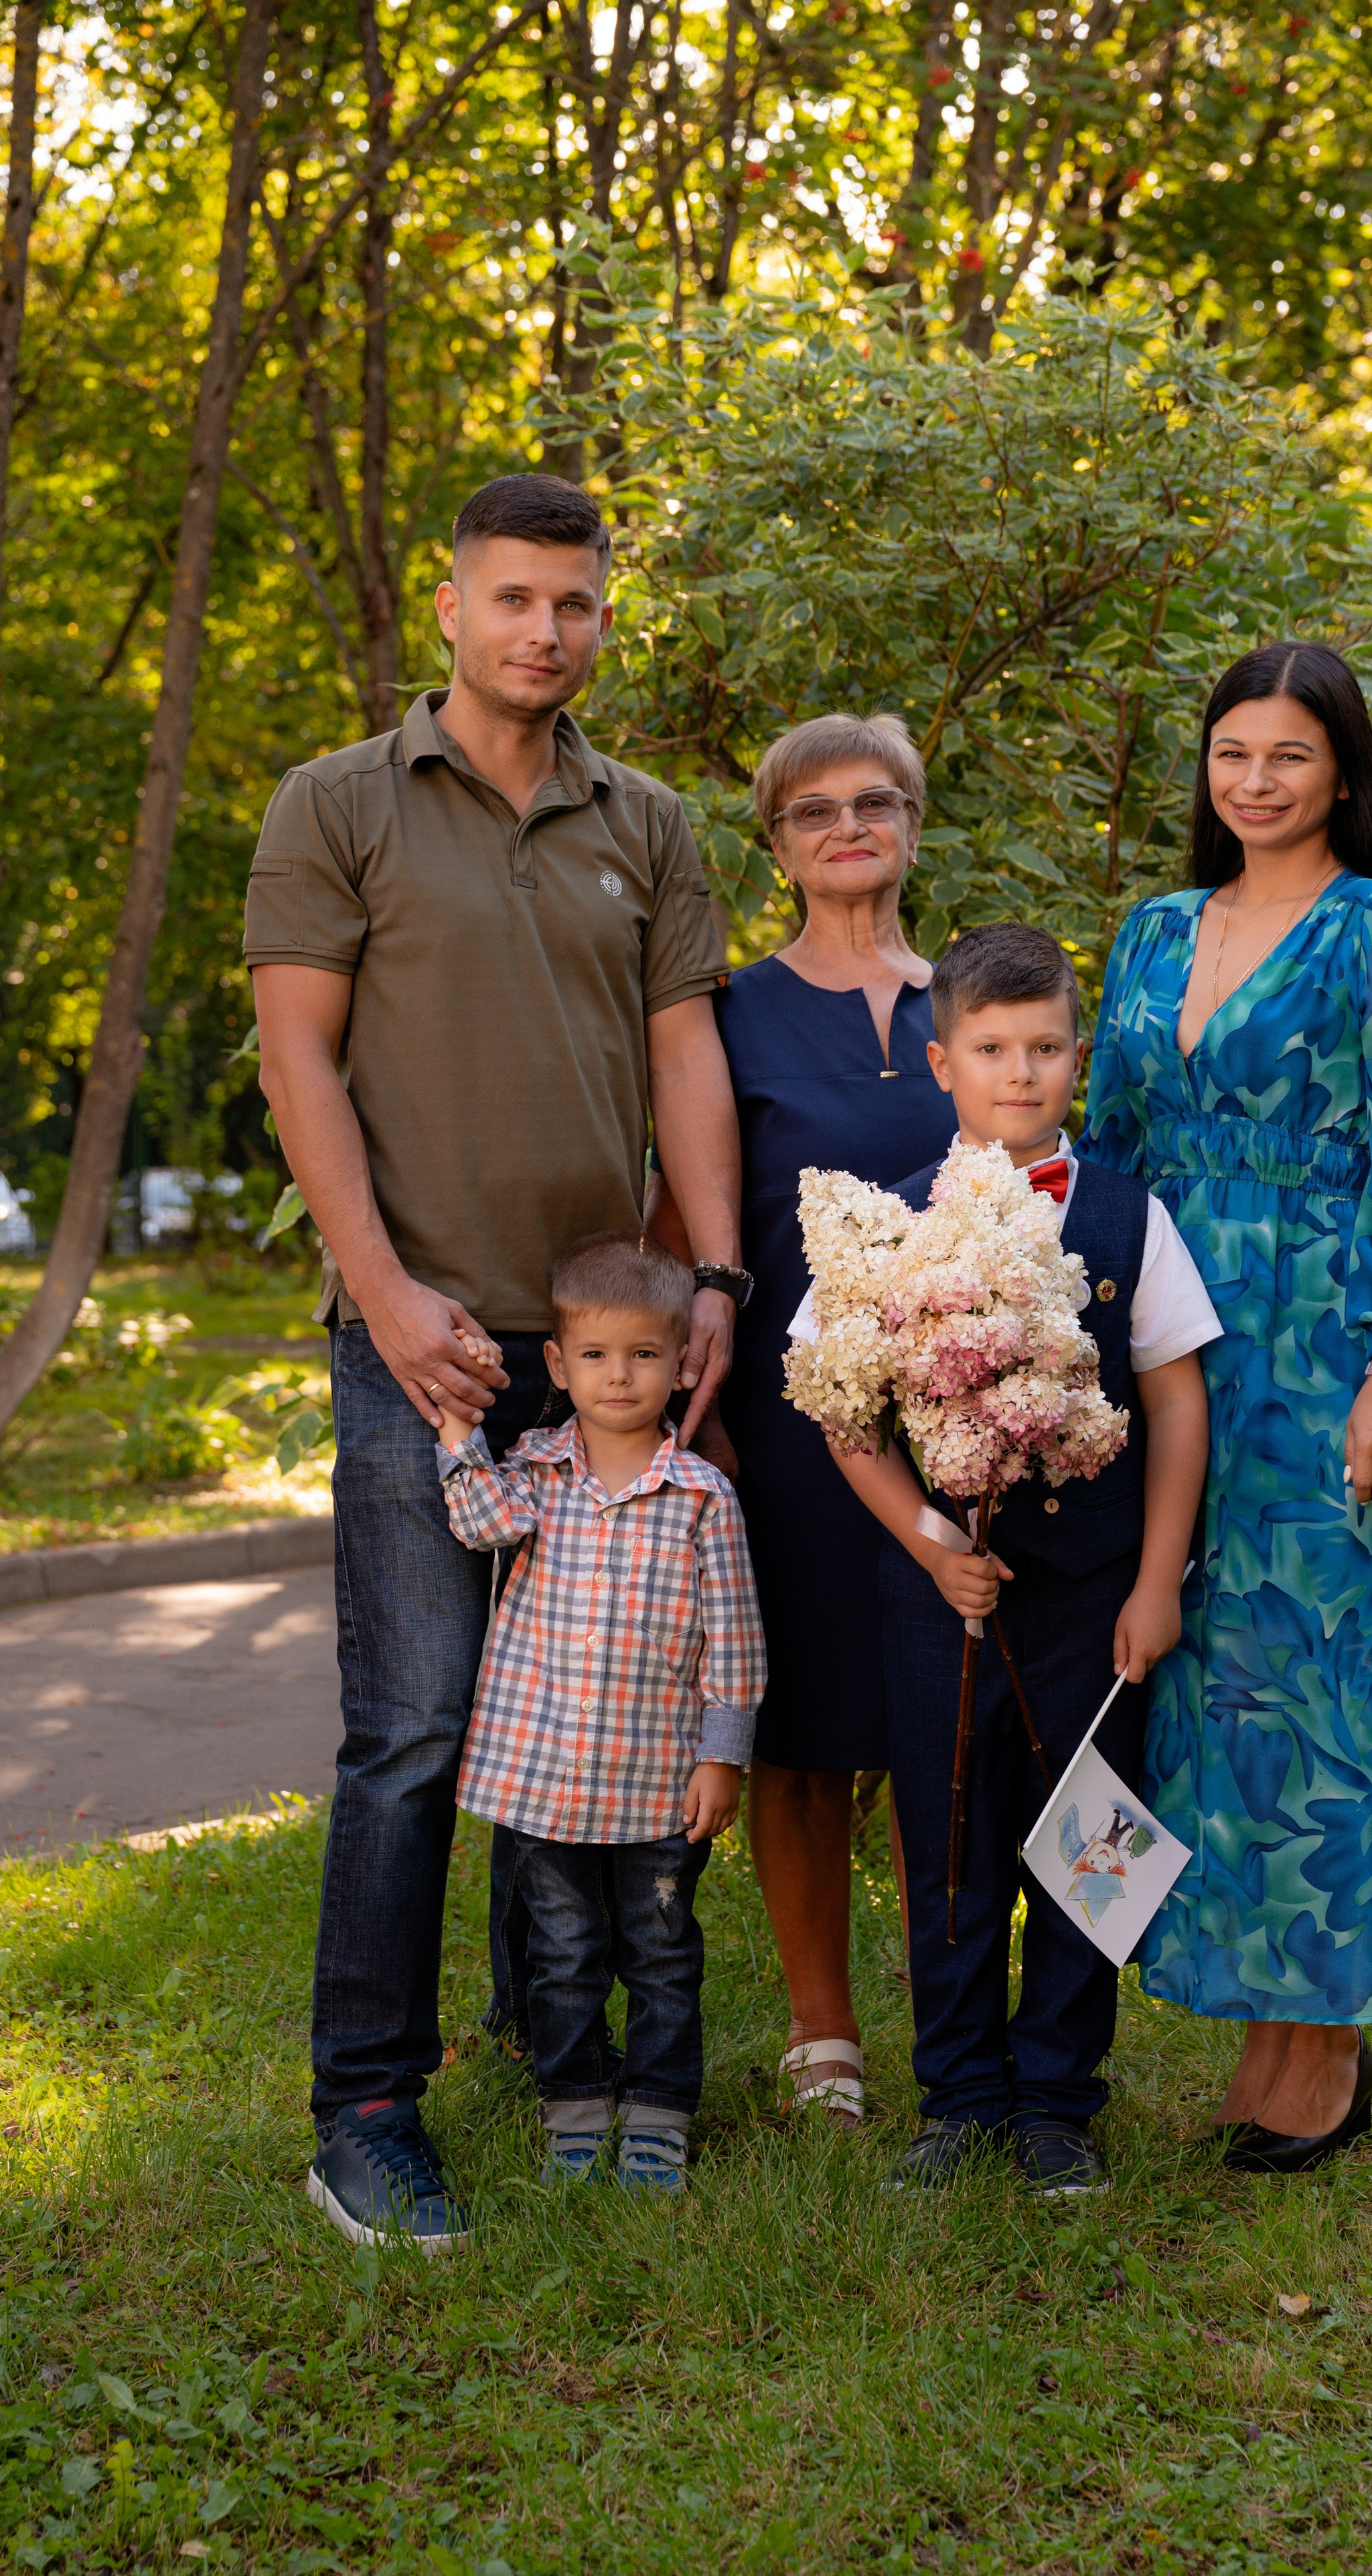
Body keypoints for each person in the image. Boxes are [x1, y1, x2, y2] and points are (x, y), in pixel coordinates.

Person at [245, 474, 748, 2248]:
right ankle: (365, 2110)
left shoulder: (652, 823)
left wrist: (713, 1286)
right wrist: (382, 1295)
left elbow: (686, 1060)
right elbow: (301, 1069)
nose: (548, 631)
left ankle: (566, 2056)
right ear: (446, 608)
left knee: (595, 1723)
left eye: (578, 605)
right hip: (428, 1345)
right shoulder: (338, 810)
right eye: (517, 599)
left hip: (610, 1346)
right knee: (418, 1734)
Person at [1078, 637, 1372, 2175]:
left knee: (1307, 1682)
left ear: (1342, 775)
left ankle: (1324, 2042)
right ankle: (1253, 2018)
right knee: (1189, 1682)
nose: (1253, 780)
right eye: (1229, 752)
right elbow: (1103, 1146)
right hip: (1165, 1343)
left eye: (1287, 756)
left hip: (1319, 1350)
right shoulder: (1154, 928)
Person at [826, 923, 1222, 2196]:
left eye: (1046, 1049)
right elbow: (844, 1416)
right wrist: (932, 1545)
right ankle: (959, 2099)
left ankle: (1059, 2100)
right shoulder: (887, 1228)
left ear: (1077, 1061)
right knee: (949, 1843)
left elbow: (1175, 1403)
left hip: (1093, 1600)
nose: (1021, 1073)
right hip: (937, 1597)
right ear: (941, 1063)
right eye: (992, 1050)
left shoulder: (1125, 1217)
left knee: (1088, 1844)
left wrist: (1157, 1581)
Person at [647, 712, 957, 2129]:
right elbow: (686, 1219)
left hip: (965, 1420)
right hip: (785, 1423)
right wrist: (688, 1409)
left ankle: (953, 2014)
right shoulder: (731, 1013)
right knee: (800, 1726)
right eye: (814, 809)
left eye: (875, 801)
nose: (849, 825)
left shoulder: (969, 1002)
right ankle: (821, 2031)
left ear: (910, 823)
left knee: (942, 1721)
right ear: (773, 844)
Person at [418, 1235, 765, 2204]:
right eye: (599, 1357)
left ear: (681, 1364)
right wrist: (456, 1433)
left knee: (660, 1950)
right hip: (545, 1777)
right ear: (560, 1366)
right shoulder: (536, 1470)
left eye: (646, 1356)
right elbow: (479, 1520)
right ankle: (573, 2107)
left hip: (659, 1782)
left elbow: (734, 1640)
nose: (621, 1377)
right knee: (562, 1955)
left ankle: (657, 2112)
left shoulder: (702, 1499)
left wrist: (722, 1759)